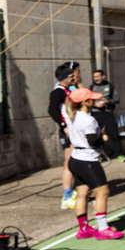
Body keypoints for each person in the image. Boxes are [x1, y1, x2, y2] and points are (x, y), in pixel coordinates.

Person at [64, 87, 122, 240]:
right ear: (86, 102)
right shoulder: (88, 119)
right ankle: (103, 229)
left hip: (75, 159)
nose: (94, 100)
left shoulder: (72, 116)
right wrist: (102, 137)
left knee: (82, 194)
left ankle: (83, 228)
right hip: (87, 160)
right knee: (102, 192)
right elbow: (92, 141)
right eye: (92, 98)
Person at [48, 61, 80, 209]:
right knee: (69, 163)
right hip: (67, 131)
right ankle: (67, 196)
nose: (74, 77)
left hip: (73, 129)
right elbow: (52, 110)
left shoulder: (68, 90)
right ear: (65, 77)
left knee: (75, 162)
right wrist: (64, 126)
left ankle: (73, 191)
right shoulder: (58, 91)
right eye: (71, 75)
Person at [90, 68, 124, 160]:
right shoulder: (91, 87)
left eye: (98, 76)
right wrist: (94, 104)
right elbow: (87, 101)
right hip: (95, 114)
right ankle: (100, 155)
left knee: (114, 134)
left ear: (103, 76)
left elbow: (117, 99)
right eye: (94, 77)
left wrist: (108, 101)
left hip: (107, 113)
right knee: (97, 135)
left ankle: (119, 154)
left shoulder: (110, 86)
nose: (96, 78)